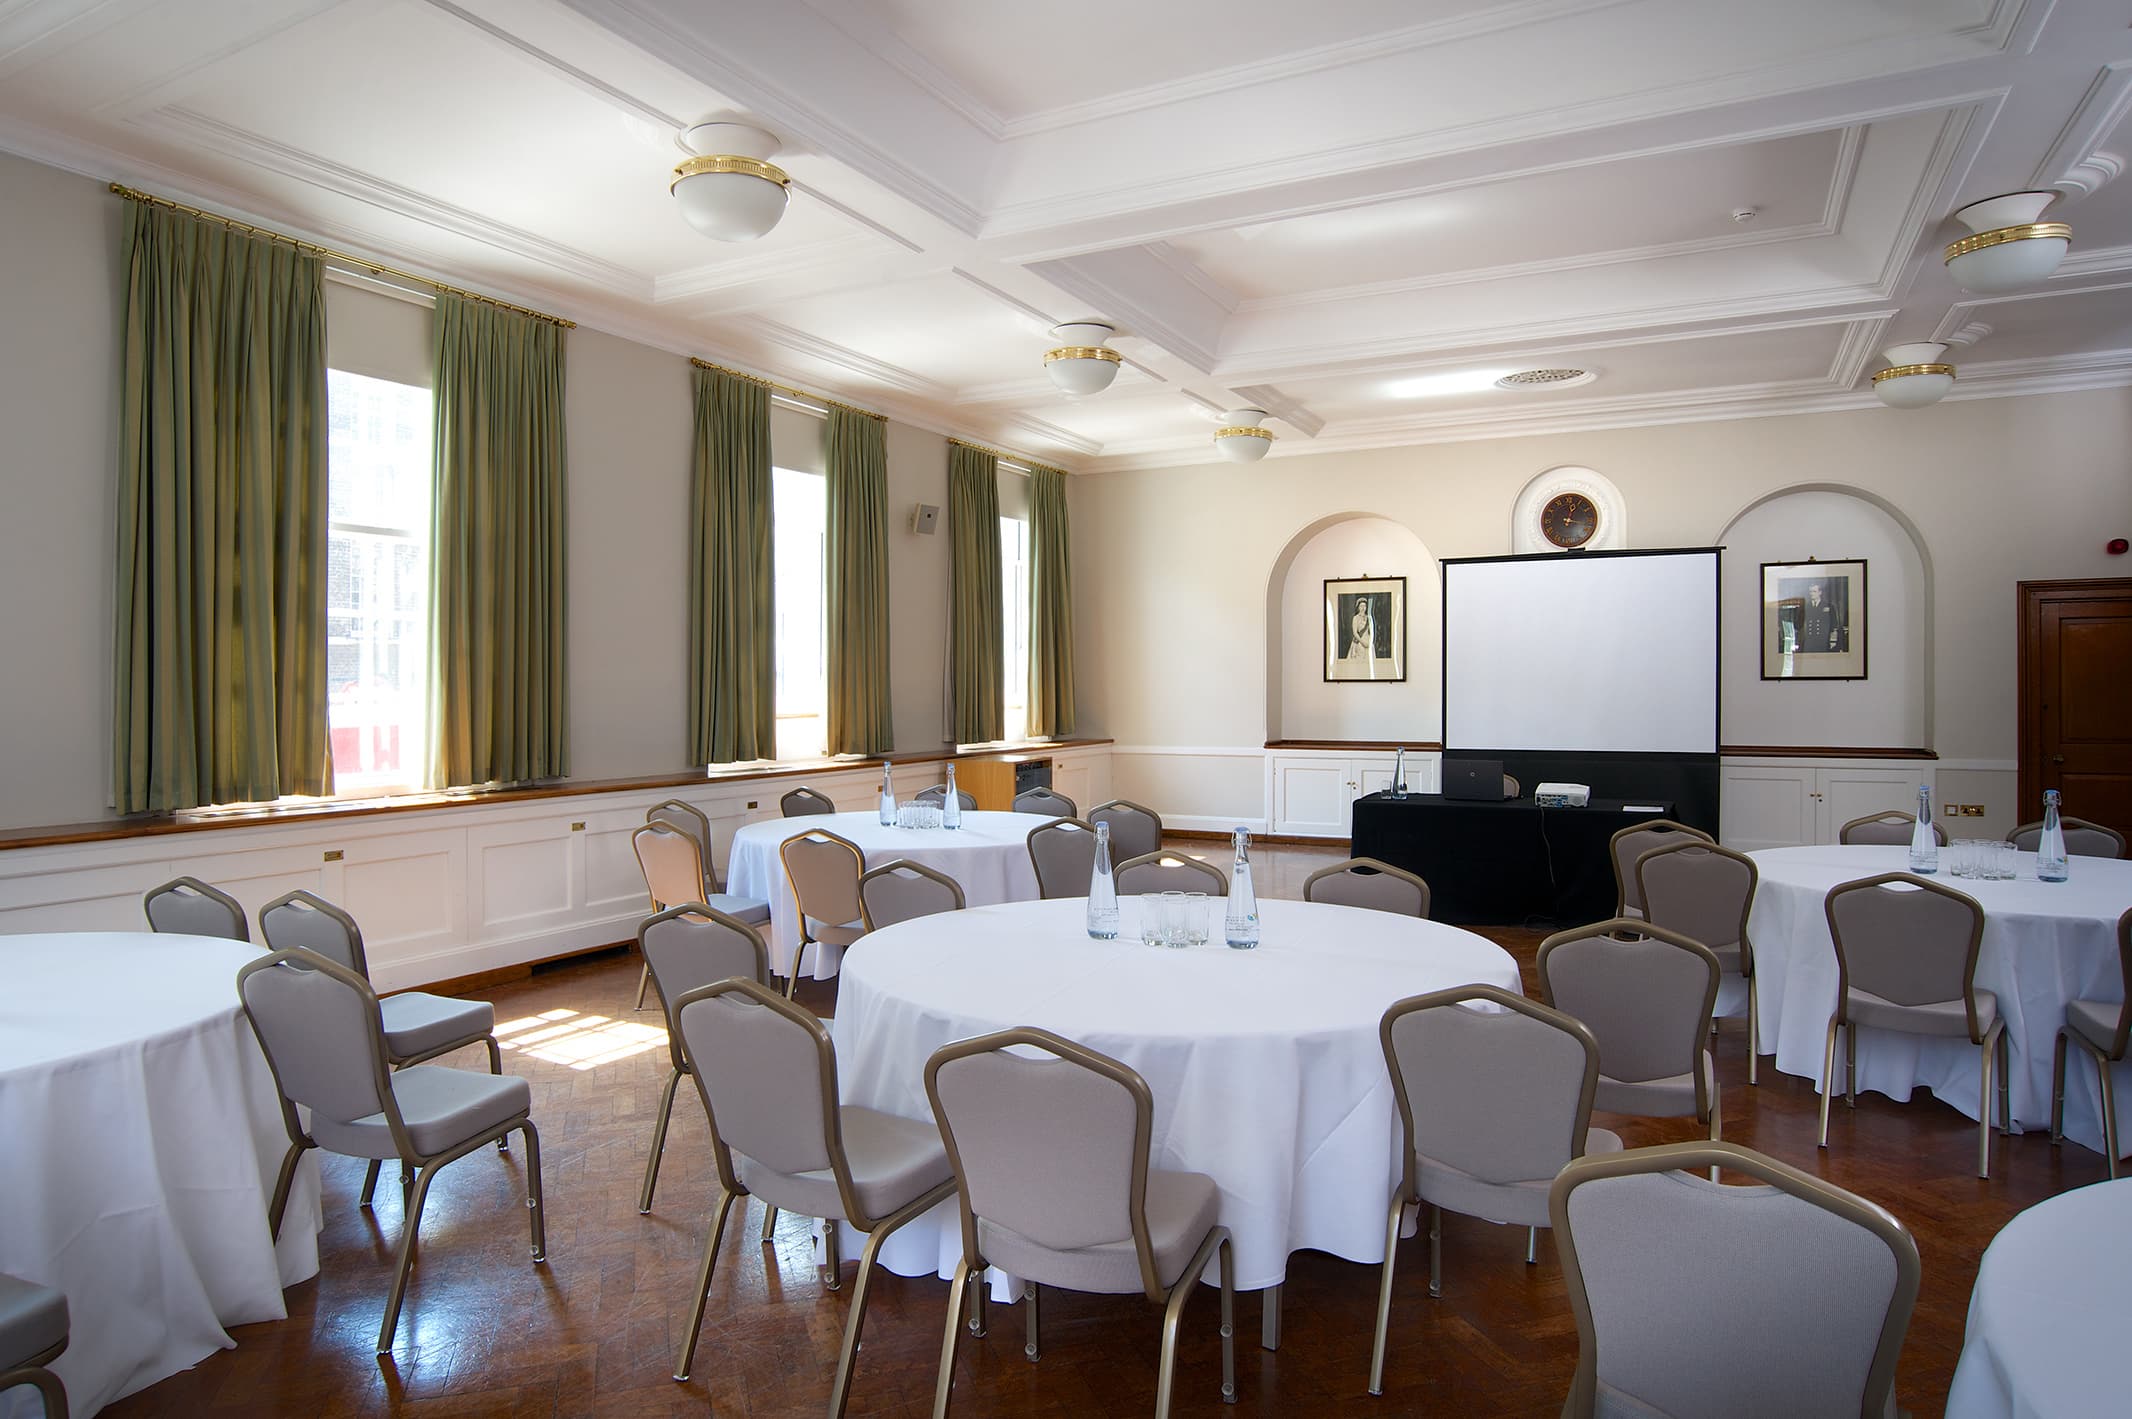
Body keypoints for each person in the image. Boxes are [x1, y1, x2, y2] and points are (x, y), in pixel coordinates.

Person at [1798, 580, 1845, 653]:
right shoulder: (1806, 607)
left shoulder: (1828, 606)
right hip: (1809, 642)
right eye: (1810, 591)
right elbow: (1800, 625)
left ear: (1820, 592)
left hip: (1823, 642)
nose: (1812, 594)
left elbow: (1834, 626)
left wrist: (1833, 642)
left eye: (1814, 591)